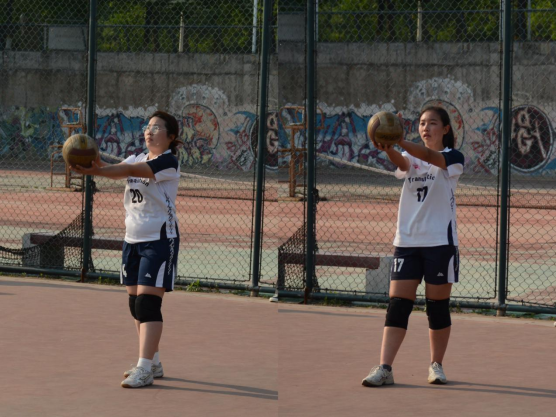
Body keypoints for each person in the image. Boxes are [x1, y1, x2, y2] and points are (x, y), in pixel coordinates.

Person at [73, 110, 182, 388]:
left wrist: (98, 170)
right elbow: (118, 169)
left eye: (156, 128)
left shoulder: (168, 162)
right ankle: (153, 362)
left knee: (148, 304)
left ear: (170, 136)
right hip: (132, 239)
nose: (149, 131)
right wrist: (94, 168)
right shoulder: (136, 157)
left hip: (159, 240)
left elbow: (131, 171)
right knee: (135, 305)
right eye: (147, 127)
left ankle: (144, 369)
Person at [362, 106, 464, 387]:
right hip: (407, 241)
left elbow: (430, 157)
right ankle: (385, 368)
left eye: (432, 123)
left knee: (437, 307)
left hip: (440, 243)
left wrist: (399, 140)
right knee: (397, 305)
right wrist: (388, 148)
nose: (425, 127)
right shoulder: (409, 156)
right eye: (421, 123)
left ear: (445, 129)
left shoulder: (453, 158)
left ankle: (436, 365)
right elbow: (403, 164)